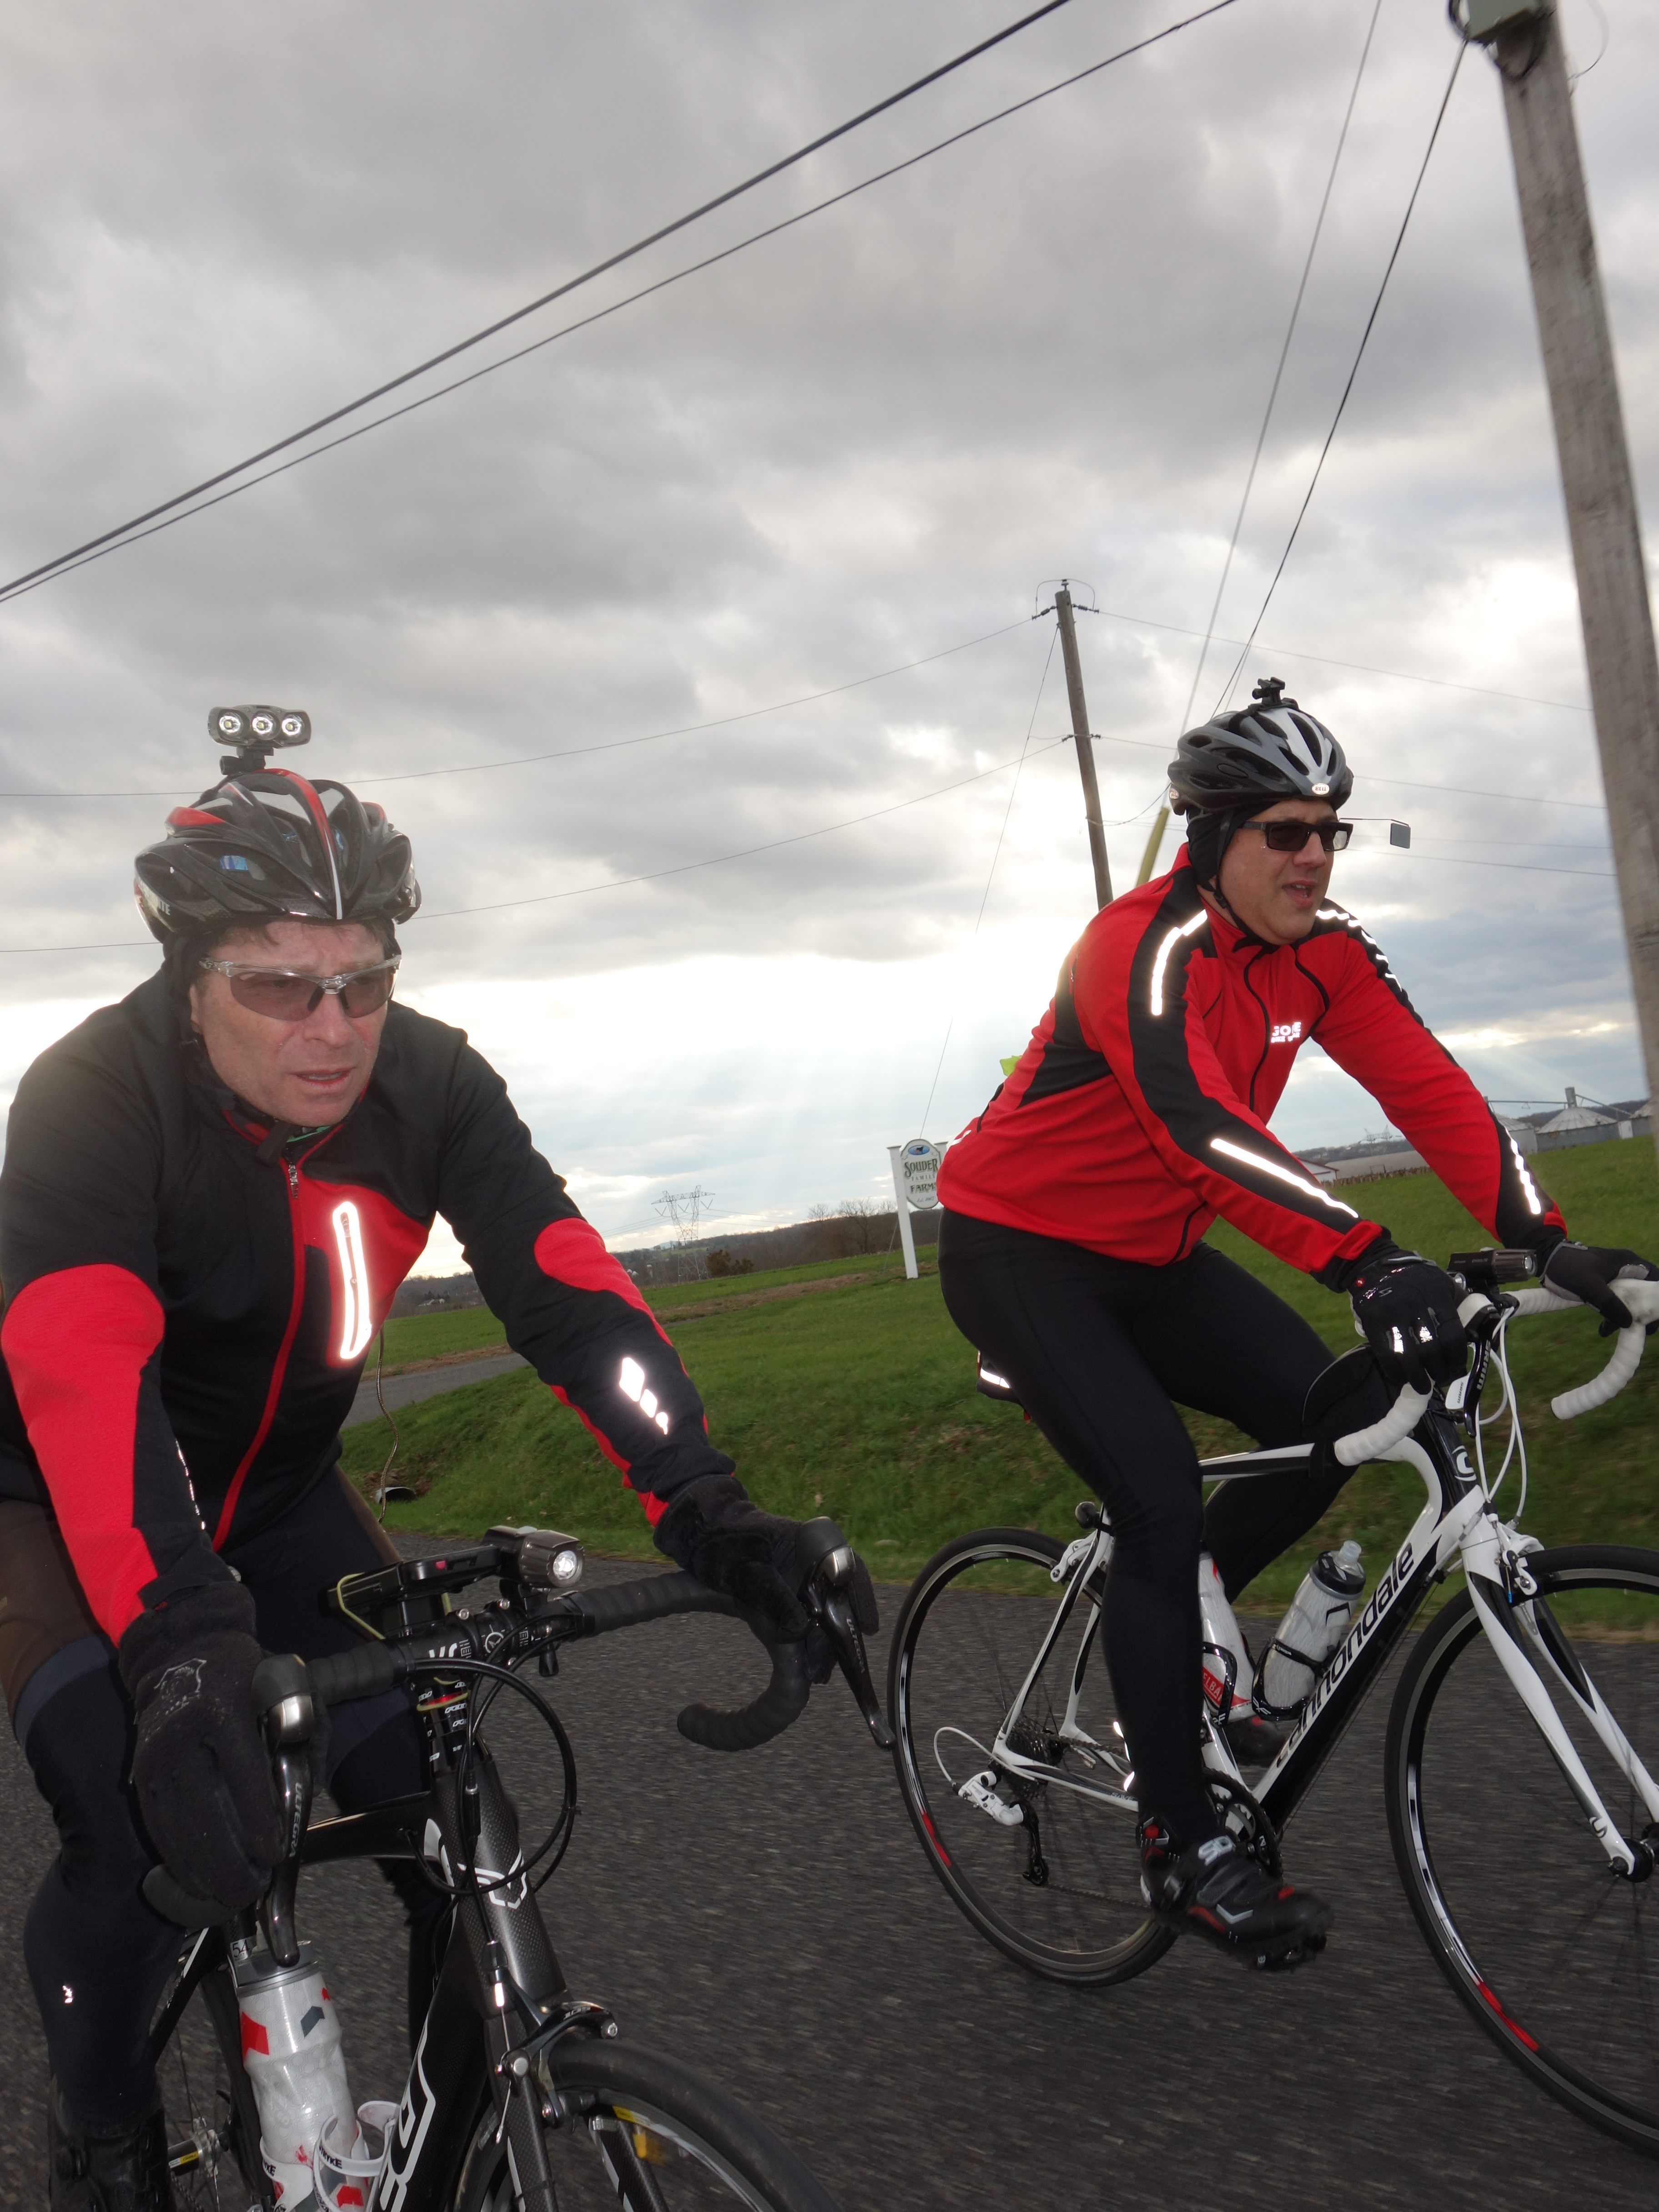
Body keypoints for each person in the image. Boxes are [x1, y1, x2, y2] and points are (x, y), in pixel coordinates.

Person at [0, 732, 845, 2210]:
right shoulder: (90, 1099)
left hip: (279, 1500)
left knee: (456, 1816)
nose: (334, 1030)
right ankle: (107, 2128)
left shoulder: (434, 1082)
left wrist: (703, 1503)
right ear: (187, 975)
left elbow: (571, 1293)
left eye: (365, 982)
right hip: (61, 1510)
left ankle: (461, 2139)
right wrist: (181, 1642)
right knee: (138, 1821)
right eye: (280, 985)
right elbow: (84, 1376)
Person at [934, 677, 1655, 1972]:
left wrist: (1550, 1240)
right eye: (1285, 832)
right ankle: (1181, 1841)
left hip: (1156, 1256)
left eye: (1329, 831)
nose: (1313, 856)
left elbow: (1432, 1089)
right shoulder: (1138, 948)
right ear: (1214, 837)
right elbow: (1198, 1125)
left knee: (1333, 1417)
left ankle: (1190, 1636)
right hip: (1021, 1254)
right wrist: (1365, 1259)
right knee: (1157, 1495)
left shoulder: (1328, 952)